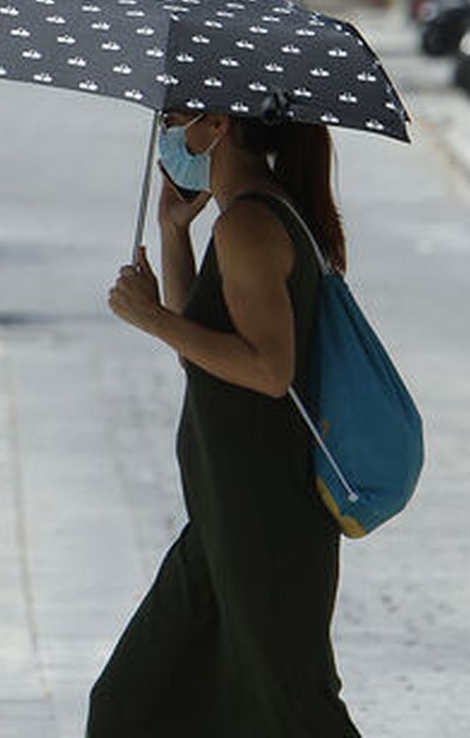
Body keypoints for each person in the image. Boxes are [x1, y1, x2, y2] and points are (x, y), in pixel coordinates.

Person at [92, 109, 360, 737]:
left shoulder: (252, 224)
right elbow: (203, 346)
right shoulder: (241, 216)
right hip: (222, 517)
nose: (165, 133)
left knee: (294, 711)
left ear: (215, 124)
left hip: (265, 522)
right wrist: (173, 231)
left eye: (173, 117)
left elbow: (270, 370)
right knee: (132, 704)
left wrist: (151, 317)